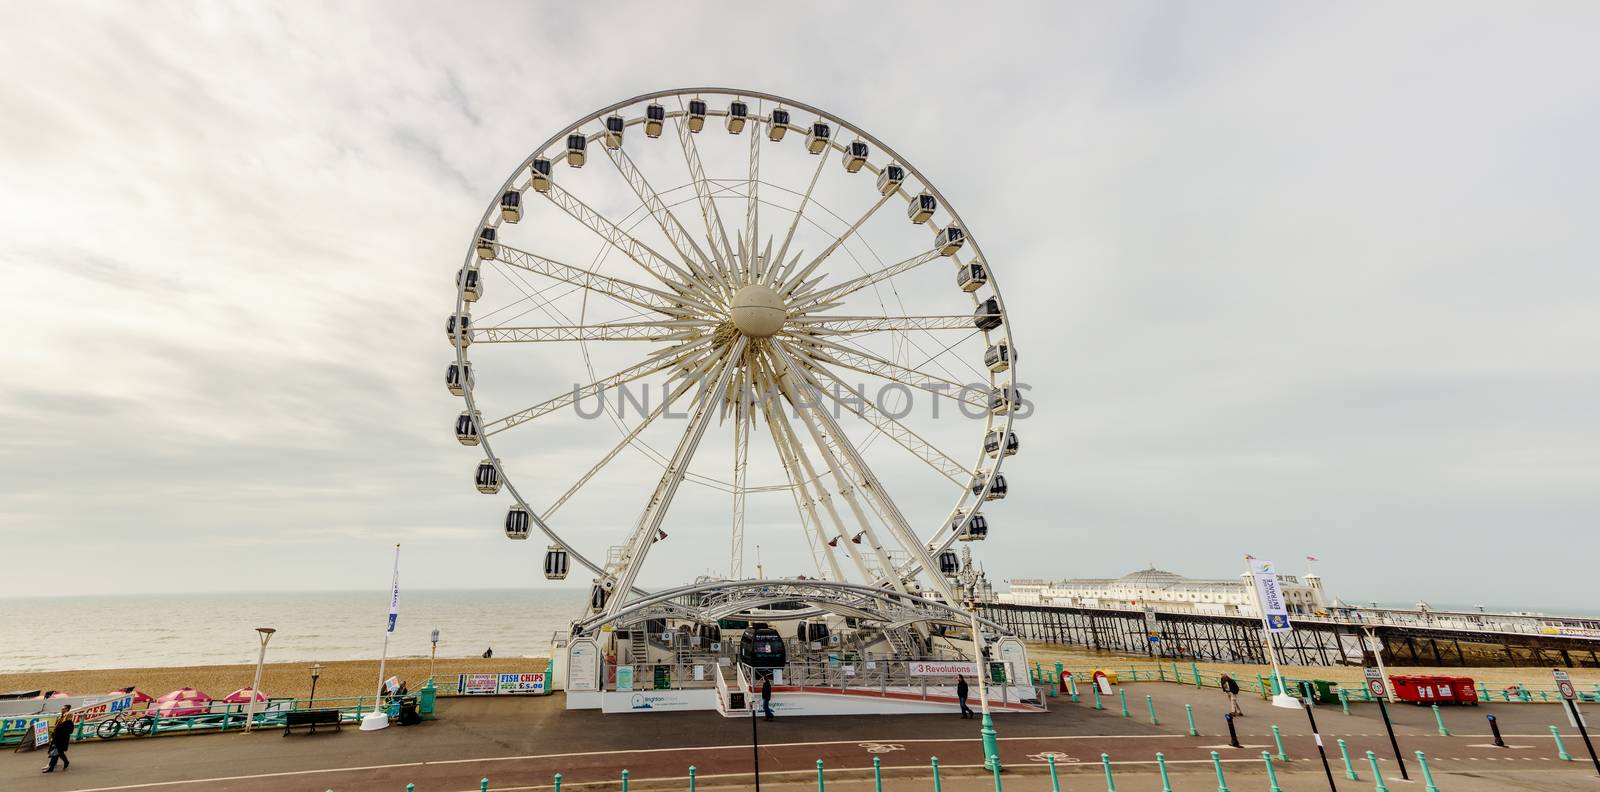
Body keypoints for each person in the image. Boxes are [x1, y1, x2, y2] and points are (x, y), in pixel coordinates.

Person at [42, 706, 74, 773]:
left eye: (64, 709)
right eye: (62, 709)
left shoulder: (68, 723)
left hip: (60, 740)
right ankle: (65, 762)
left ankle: (51, 767)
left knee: (55, 753)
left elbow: (68, 731)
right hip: (58, 739)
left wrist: (59, 733)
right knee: (59, 753)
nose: (63, 711)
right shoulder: (61, 719)